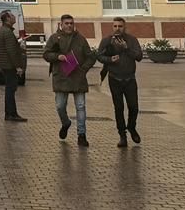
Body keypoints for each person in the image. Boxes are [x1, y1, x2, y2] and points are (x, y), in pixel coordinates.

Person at [42, 13, 95, 146]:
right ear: (61, 24)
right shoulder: (55, 38)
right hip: (61, 77)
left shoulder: (81, 39)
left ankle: (81, 135)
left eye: (71, 23)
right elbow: (46, 54)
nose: (69, 26)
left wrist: (84, 69)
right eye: (67, 23)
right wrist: (57, 56)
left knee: (81, 107)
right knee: (60, 106)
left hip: (78, 77)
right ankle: (65, 123)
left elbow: (90, 56)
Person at [96, 17, 144, 147]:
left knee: (134, 107)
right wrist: (110, 59)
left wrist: (127, 48)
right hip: (115, 78)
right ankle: (122, 135)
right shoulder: (107, 40)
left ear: (125, 27)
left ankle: (132, 127)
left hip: (130, 78)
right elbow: (99, 56)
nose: (118, 29)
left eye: (120, 26)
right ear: (112, 27)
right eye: (115, 26)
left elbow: (139, 56)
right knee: (119, 108)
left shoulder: (132, 40)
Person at [0, 10, 27, 122]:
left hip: (5, 64)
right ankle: (11, 114)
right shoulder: (7, 32)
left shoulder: (3, 30)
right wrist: (18, 66)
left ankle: (11, 113)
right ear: (7, 18)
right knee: (10, 90)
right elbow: (11, 51)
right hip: (9, 65)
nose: (14, 18)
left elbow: (9, 47)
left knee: (10, 89)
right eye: (12, 16)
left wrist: (17, 44)